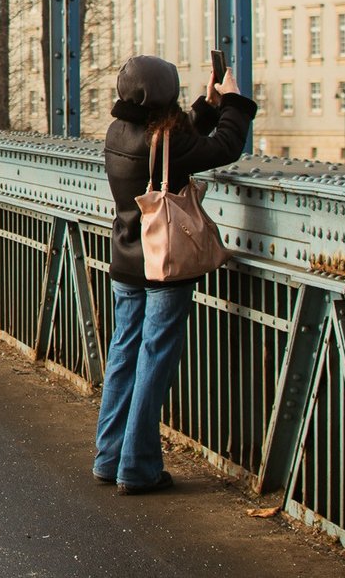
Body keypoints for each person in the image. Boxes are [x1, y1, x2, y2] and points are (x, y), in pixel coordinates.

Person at [95, 54, 257, 495]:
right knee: (155, 360)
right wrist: (234, 103)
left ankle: (109, 457)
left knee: (124, 354)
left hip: (126, 258)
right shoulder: (164, 140)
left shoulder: (117, 131)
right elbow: (223, 148)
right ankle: (138, 467)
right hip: (163, 264)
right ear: (164, 94)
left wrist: (207, 106)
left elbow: (176, 144)